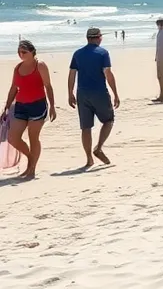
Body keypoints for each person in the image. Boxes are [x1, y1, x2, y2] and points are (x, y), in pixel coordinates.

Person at [67, 27, 120, 167]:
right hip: (99, 92)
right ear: (98, 38)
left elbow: (72, 74)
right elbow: (108, 74)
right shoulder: (103, 53)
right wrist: (115, 93)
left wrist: (70, 93)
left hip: (82, 93)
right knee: (108, 120)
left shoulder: (77, 54)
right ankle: (99, 147)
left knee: (86, 127)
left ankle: (89, 159)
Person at [3, 40, 55, 179]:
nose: (21, 54)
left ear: (32, 52)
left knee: (33, 138)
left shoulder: (40, 66)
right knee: (13, 138)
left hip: (38, 105)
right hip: (20, 106)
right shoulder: (18, 68)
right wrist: (7, 107)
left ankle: (31, 169)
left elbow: (48, 87)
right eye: (19, 52)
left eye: (24, 52)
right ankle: (31, 159)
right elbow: (14, 88)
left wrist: (52, 107)